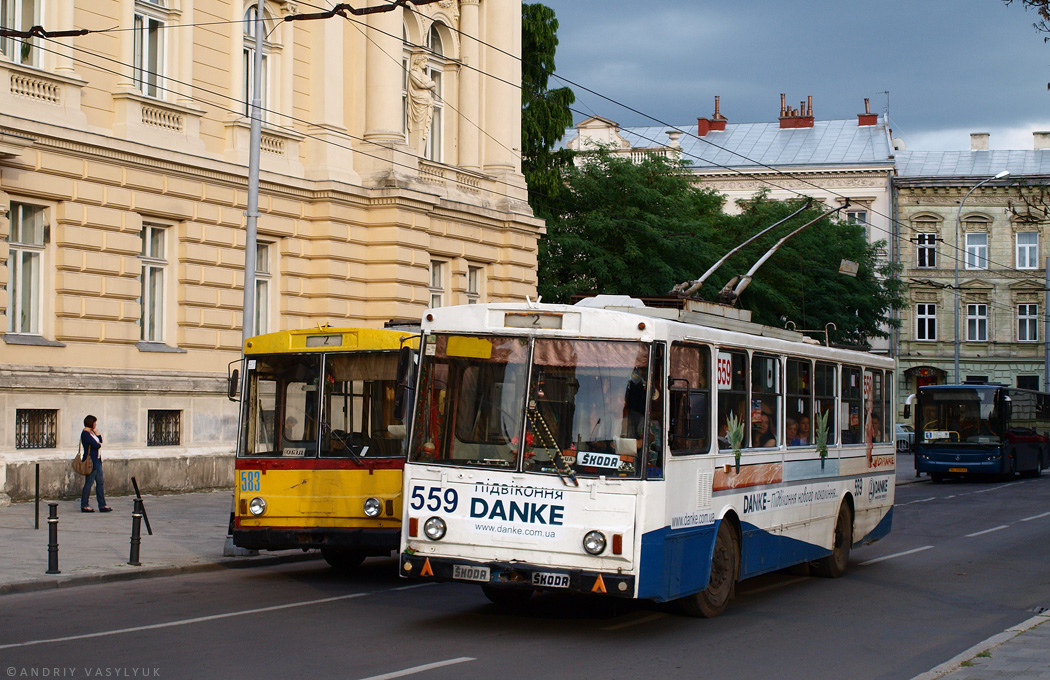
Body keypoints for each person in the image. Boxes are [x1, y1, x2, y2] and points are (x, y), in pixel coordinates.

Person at [80, 415, 111, 513]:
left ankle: (102, 505)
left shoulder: (92, 432)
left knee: (100, 482)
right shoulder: (85, 433)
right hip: (91, 462)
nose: (95, 424)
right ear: (91, 423)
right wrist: (97, 443)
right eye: (94, 423)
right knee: (89, 483)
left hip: (97, 460)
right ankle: (84, 505)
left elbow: (100, 440)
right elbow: (96, 445)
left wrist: (96, 432)